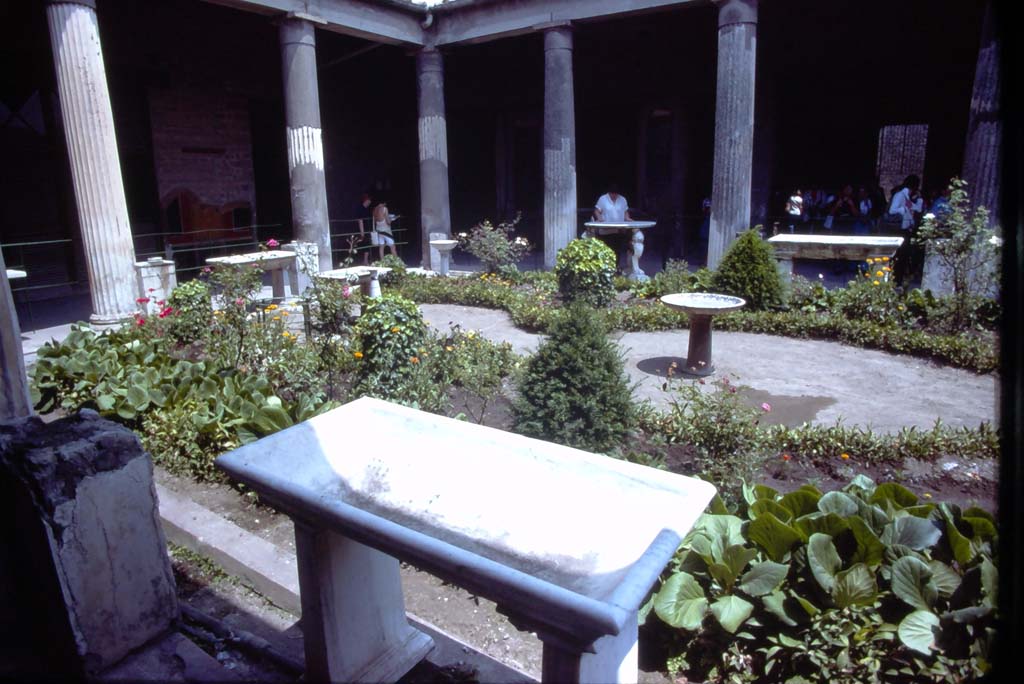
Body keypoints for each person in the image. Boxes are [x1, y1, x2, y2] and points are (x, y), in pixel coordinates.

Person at [354, 192, 373, 265]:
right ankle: (363, 260)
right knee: (362, 244)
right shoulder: (361, 209)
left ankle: (365, 260)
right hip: (362, 230)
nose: (370, 202)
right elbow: (360, 221)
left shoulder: (366, 209)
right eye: (369, 201)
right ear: (366, 200)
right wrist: (362, 232)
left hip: (366, 230)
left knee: (367, 245)